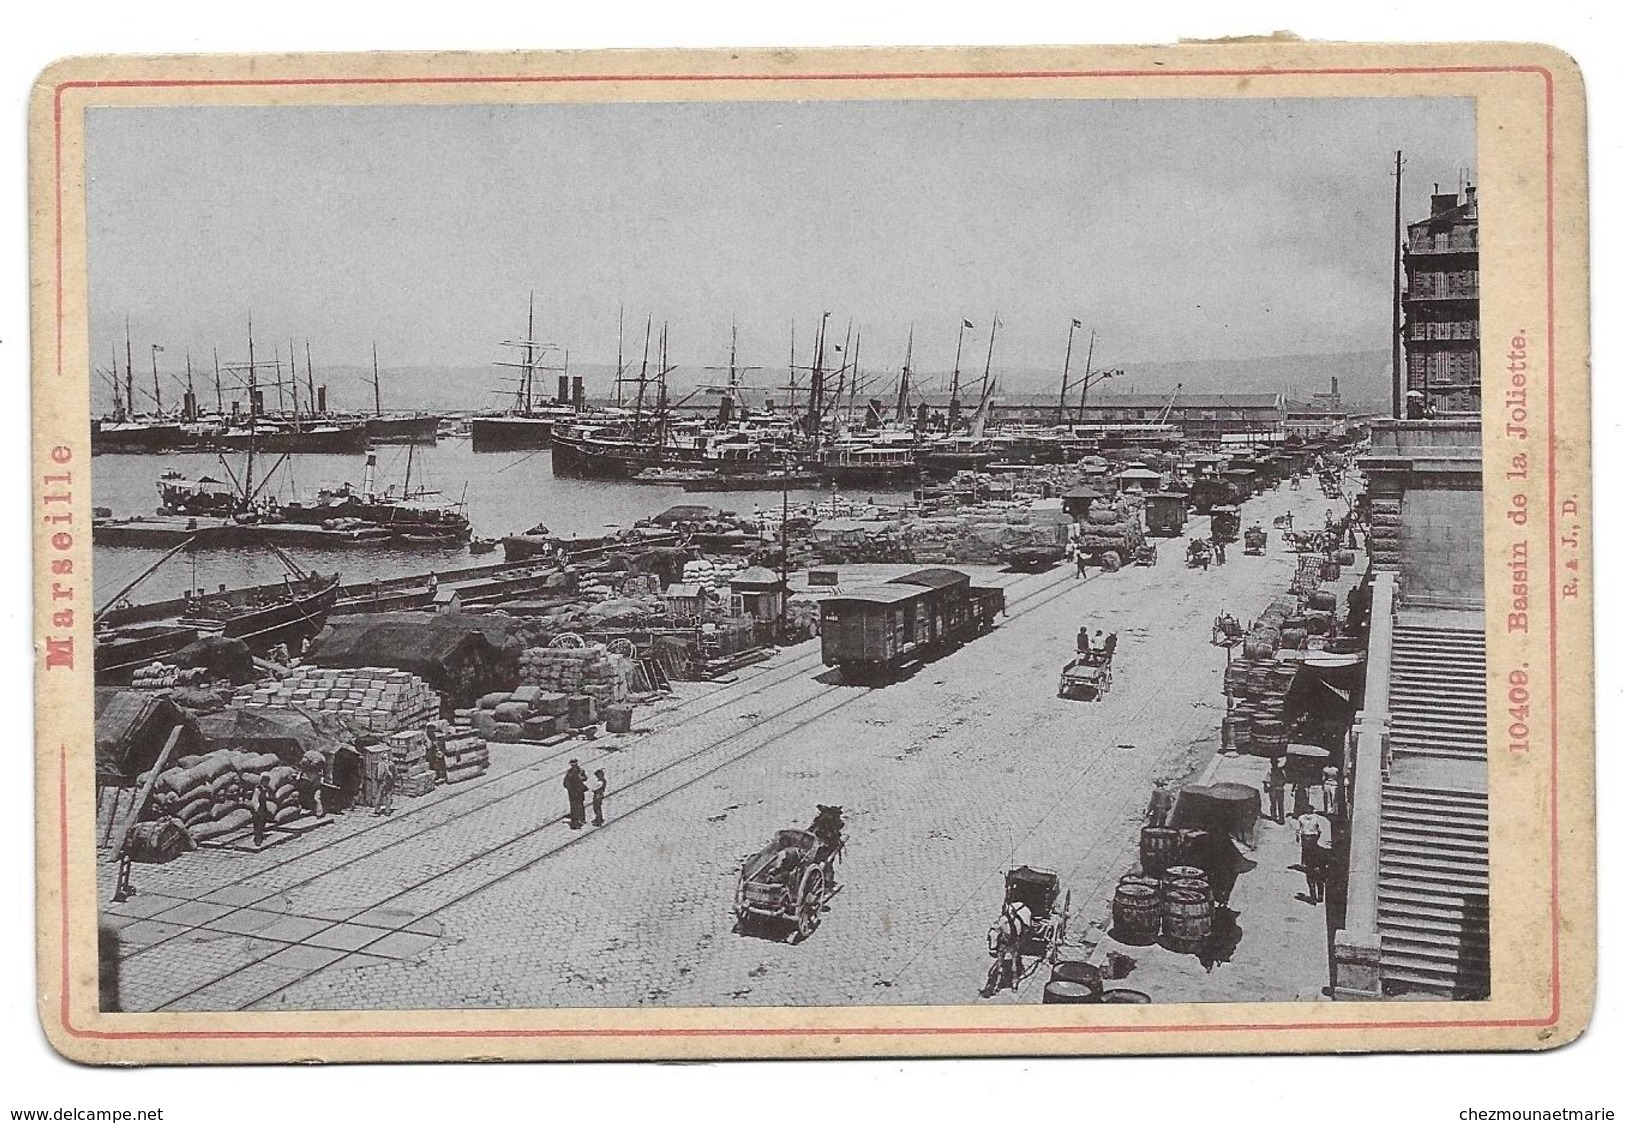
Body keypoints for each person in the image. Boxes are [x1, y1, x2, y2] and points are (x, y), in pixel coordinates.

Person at [1295, 809, 1333, 903]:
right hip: (1319, 868)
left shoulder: (1301, 818)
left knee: (1311, 881)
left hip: (1311, 868)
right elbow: (1319, 830)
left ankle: (1313, 898)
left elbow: (1299, 830)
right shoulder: (1321, 850)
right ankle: (1320, 897)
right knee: (1320, 881)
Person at [564, 760, 588, 829]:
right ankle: (574, 821)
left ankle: (581, 819)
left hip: (579, 791)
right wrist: (567, 787)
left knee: (579, 805)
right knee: (573, 806)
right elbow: (565, 780)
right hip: (572, 792)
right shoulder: (569, 772)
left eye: (574, 764)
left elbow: (585, 778)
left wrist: (580, 777)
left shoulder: (580, 771)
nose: (573, 766)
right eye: (572, 765)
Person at [251, 774, 273, 847]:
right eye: (265, 781)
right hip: (259, 808)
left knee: (263, 822)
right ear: (262, 781)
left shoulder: (265, 789)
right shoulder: (258, 789)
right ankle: (258, 840)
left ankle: (260, 835)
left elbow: (267, 797)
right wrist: (257, 809)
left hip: (263, 807)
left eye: (267, 781)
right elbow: (255, 799)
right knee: (258, 824)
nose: (266, 783)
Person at [1267, 757, 1287, 823]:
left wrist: (1267, 787)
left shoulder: (1270, 771)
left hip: (1273, 789)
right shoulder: (1281, 771)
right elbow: (1285, 779)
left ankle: (1274, 817)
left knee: (1273, 803)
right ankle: (1281, 819)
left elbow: (1267, 780)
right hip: (1280, 788)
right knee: (1280, 804)